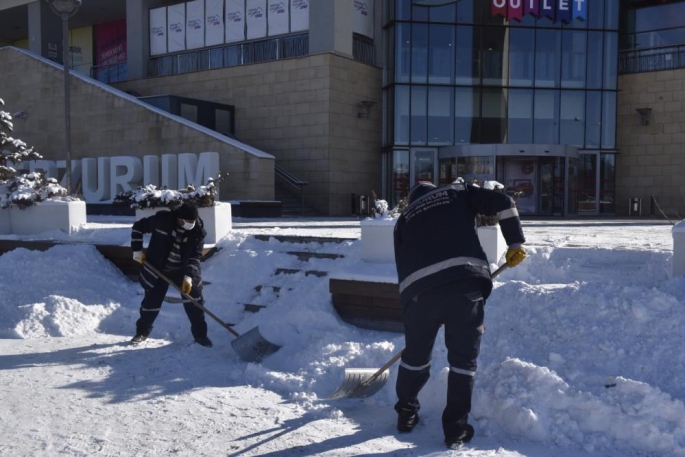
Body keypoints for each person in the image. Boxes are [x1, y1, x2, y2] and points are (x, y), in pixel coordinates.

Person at [393, 180, 527, 449]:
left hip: (419, 293)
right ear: (433, 190)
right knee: (462, 363)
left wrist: (414, 305)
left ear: (413, 199)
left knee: (415, 359)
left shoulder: (403, 219)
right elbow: (504, 202)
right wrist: (515, 242)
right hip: (463, 285)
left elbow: (402, 264)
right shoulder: (455, 192)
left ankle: (406, 414)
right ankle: (455, 431)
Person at [130, 201, 212, 347]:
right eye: (187, 221)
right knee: (151, 303)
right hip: (158, 268)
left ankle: (201, 336)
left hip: (183, 270)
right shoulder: (163, 221)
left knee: (195, 302)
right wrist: (137, 250)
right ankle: (142, 332)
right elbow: (138, 227)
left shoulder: (198, 232)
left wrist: (188, 276)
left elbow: (195, 256)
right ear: (178, 218)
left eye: (192, 221)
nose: (190, 224)